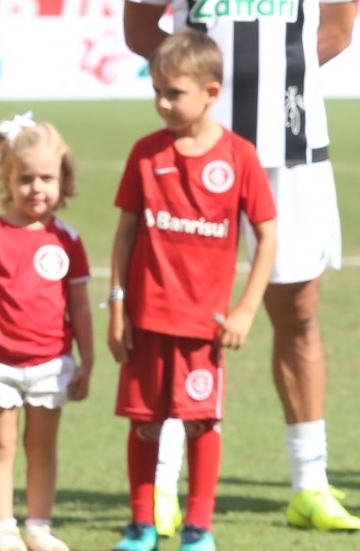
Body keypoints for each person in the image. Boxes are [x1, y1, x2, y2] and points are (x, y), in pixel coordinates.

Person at [122, 0, 360, 535]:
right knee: (168, 319)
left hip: (292, 151)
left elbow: (338, 25)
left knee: (299, 313)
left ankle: (310, 482)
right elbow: (140, 27)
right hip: (193, 159)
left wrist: (278, 81)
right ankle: (158, 489)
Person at [108, 31, 278, 551]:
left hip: (204, 327)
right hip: (146, 319)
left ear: (210, 91)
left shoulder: (240, 157)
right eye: (156, 90)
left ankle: (198, 526)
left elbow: (267, 234)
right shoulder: (145, 154)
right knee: (144, 425)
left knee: (202, 423)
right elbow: (125, 233)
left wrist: (246, 309)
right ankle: (141, 524)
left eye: (173, 93)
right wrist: (117, 306)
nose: (162, 102)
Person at [0, 117, 94, 551]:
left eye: (47, 178)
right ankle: (3, 531)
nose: (36, 188)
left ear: (63, 180)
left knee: (42, 448)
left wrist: (88, 359)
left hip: (51, 362)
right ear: (7, 179)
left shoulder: (68, 239)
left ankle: (38, 527)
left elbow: (81, 306)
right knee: (0, 445)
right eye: (25, 178)